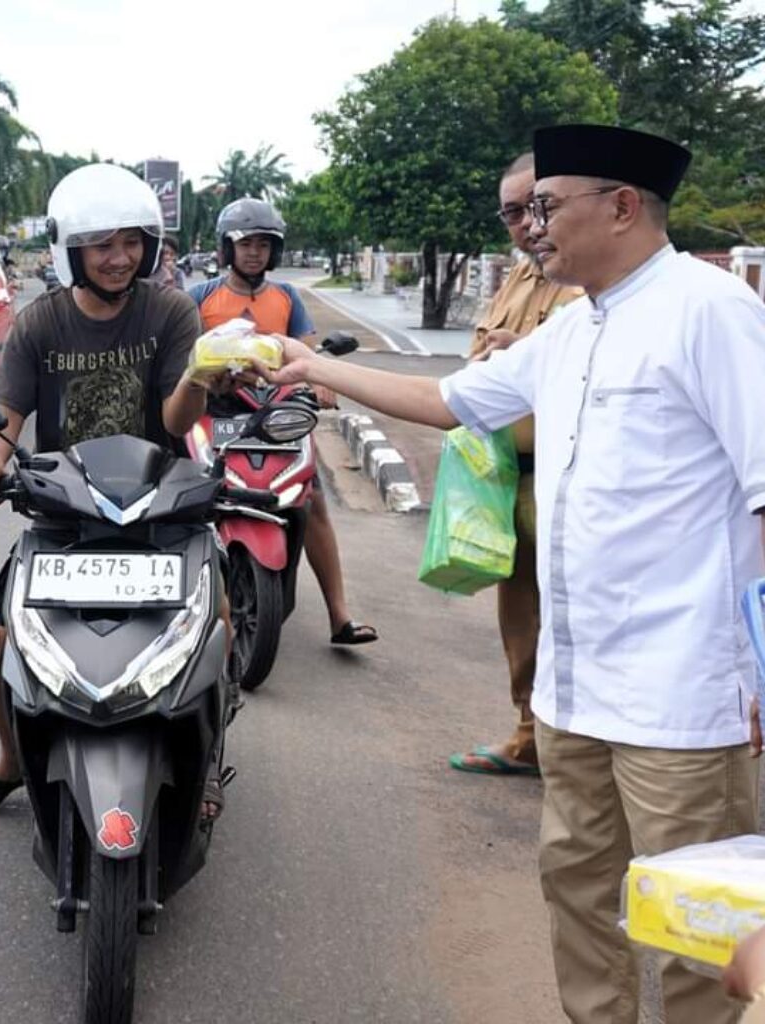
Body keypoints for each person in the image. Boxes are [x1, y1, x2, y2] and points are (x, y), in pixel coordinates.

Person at [259, 124, 765, 1024]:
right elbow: (450, 400)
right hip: (574, 690)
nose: (531, 227)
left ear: (620, 206)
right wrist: (313, 370)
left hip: (682, 691)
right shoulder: (576, 326)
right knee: (576, 887)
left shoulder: (711, 311)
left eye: (546, 205)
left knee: (696, 920)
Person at [0, 163, 235, 819]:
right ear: (70, 249)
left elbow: (175, 423)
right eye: (103, 244)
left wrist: (197, 374)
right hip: (65, 514)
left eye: (131, 241)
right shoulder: (40, 324)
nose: (119, 258)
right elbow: (6, 416)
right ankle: (12, 758)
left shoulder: (168, 311)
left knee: (212, 635)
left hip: (163, 505)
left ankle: (204, 758)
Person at [188, 198, 378, 647]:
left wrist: (324, 380)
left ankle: (339, 615)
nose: (254, 253)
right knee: (191, 497)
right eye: (245, 243)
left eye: (263, 245)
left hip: (278, 416)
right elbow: (183, 352)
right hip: (216, 416)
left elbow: (309, 352)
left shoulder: (286, 297)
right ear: (226, 248)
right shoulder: (200, 298)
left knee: (311, 499)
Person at [448, 152, 583, 778]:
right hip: (511, 473)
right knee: (520, 613)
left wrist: (521, 351)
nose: (527, 224)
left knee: (572, 615)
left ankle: (575, 747)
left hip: (568, 478)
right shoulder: (520, 279)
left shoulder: (589, 280)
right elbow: (476, 363)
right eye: (512, 213)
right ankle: (528, 732)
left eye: (538, 205)